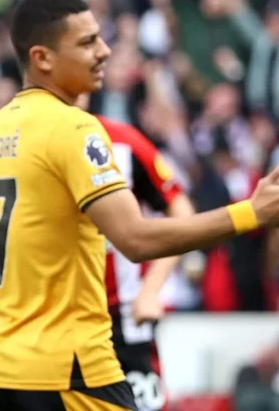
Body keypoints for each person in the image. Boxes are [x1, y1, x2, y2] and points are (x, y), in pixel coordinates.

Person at [0, 0, 279, 411]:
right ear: (42, 58)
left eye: (100, 38)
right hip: (70, 368)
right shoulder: (73, 129)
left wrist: (152, 290)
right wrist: (252, 213)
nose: (103, 51)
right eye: (87, 42)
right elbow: (136, 239)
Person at [92, 109, 194, 411]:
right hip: (53, 325)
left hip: (124, 321)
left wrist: (150, 289)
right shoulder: (24, 139)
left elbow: (182, 212)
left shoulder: (123, 142)